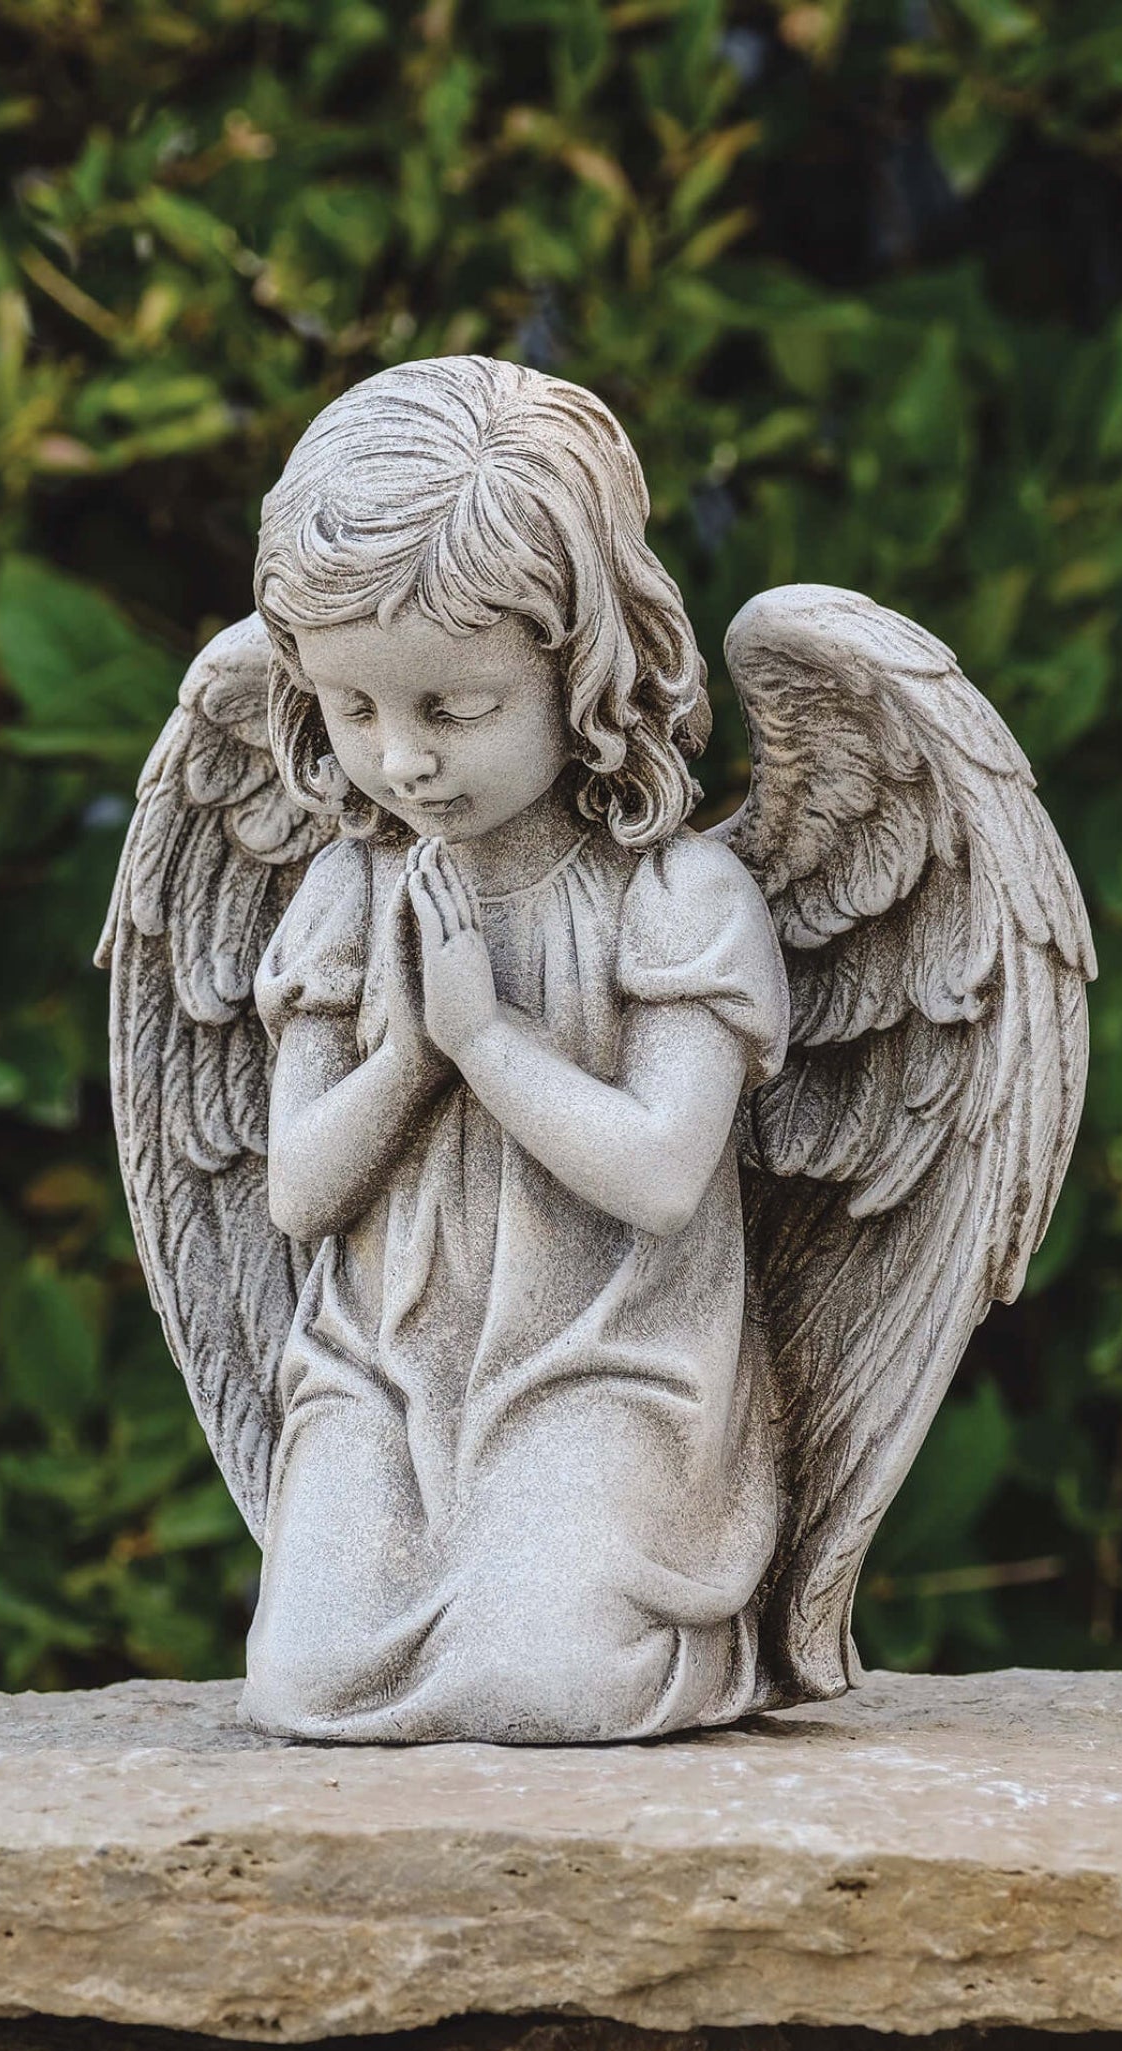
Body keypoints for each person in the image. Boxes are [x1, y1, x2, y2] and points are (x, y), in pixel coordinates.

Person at [242, 355, 791, 1743]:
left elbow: (665, 1175)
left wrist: (486, 1041)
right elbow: (301, 1190)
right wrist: (416, 1059)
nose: (401, 759)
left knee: (540, 1684)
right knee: (304, 1684)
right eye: (353, 710)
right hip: (383, 1362)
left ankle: (699, 1640)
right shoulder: (352, 893)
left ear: (581, 665)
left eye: (454, 707)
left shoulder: (675, 901)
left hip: (604, 1368)